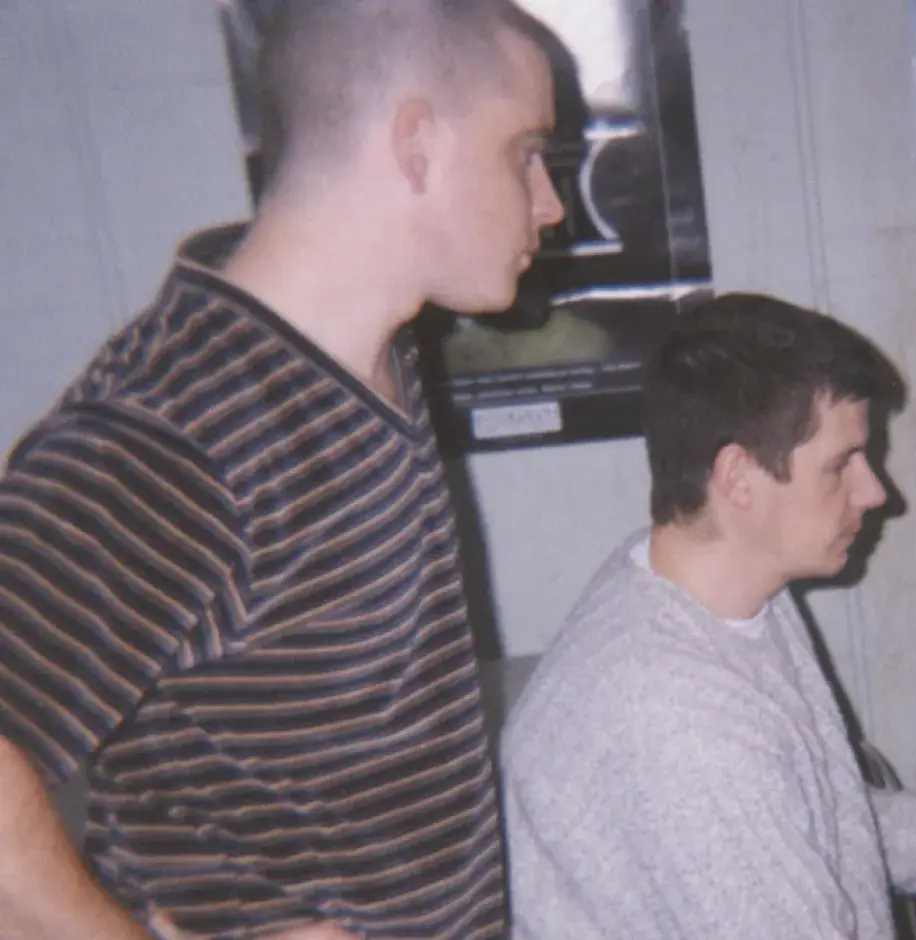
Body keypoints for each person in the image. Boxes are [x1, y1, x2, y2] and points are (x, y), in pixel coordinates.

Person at [0, 1, 565, 937]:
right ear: (417, 142)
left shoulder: (370, 364)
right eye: (525, 153)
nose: (549, 203)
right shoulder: (176, 430)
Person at [500, 293, 916, 939]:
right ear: (737, 479)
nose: (876, 492)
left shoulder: (718, 590)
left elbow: (819, 819)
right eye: (841, 464)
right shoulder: (676, 722)